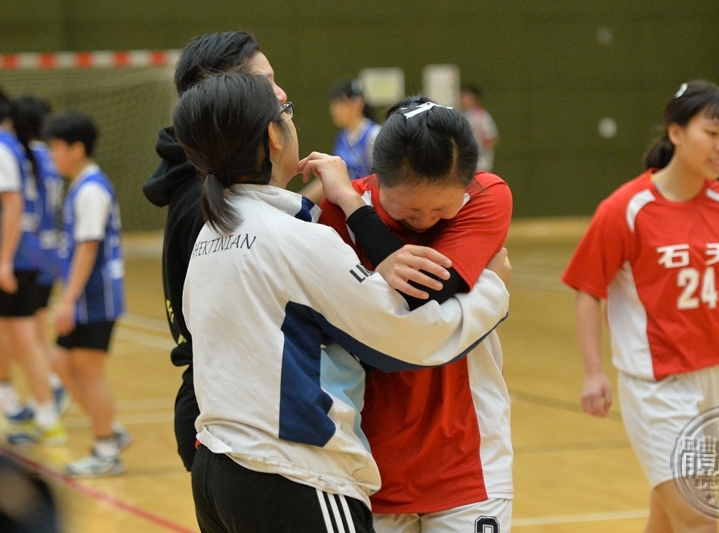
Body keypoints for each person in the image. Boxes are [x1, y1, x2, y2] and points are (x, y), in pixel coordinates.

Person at [173, 72, 510, 533]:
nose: (426, 221)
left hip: (220, 466)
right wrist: (494, 289)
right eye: (287, 113)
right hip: (293, 472)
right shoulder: (299, 236)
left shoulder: (213, 233)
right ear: (274, 137)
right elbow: (402, 337)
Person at [561, 80, 719, 533]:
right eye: (712, 133)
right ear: (675, 132)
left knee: (669, 517)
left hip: (713, 378)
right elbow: (588, 290)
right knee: (698, 516)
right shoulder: (626, 209)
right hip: (656, 385)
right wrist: (593, 372)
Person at [317, 97, 514, 533]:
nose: (425, 221)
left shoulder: (487, 195)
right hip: (367, 468)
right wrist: (349, 205)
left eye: (443, 210)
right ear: (377, 178)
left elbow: (428, 293)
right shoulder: (331, 216)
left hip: (469, 461)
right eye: (409, 212)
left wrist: (356, 211)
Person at [142, 31, 287, 472]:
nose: (281, 94)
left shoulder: (215, 187)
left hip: (229, 404)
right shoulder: (207, 200)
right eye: (265, 83)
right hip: (224, 412)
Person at [43, 112, 130, 477]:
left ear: (76, 149)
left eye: (56, 149)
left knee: (89, 373)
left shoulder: (91, 189)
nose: (52, 157)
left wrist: (67, 299)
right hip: (85, 299)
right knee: (61, 364)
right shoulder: (80, 185)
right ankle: (107, 426)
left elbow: (88, 247)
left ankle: (106, 449)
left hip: (96, 299)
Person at [0, 88, 66, 446]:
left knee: (27, 337)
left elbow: (14, 207)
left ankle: (46, 404)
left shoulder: (9, 150)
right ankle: (40, 401)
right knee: (26, 335)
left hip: (24, 254)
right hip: (39, 251)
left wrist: (5, 260)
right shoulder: (33, 154)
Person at [13, 95, 71, 417]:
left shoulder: (25, 155)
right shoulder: (50, 158)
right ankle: (47, 390)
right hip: (50, 251)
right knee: (33, 329)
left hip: (31, 251)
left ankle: (50, 389)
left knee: (27, 332)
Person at [300, 78, 381, 204]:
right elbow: (334, 177)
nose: (334, 109)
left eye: (340, 103)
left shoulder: (374, 135)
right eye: (333, 104)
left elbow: (385, 180)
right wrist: (300, 200)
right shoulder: (343, 136)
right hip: (350, 203)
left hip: (370, 206)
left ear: (357, 104)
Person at [460, 84, 498, 172]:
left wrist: (481, 153)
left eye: (466, 97)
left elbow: (492, 138)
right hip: (467, 163)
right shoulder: (464, 115)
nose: (463, 100)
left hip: (480, 164)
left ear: (474, 99)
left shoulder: (481, 116)